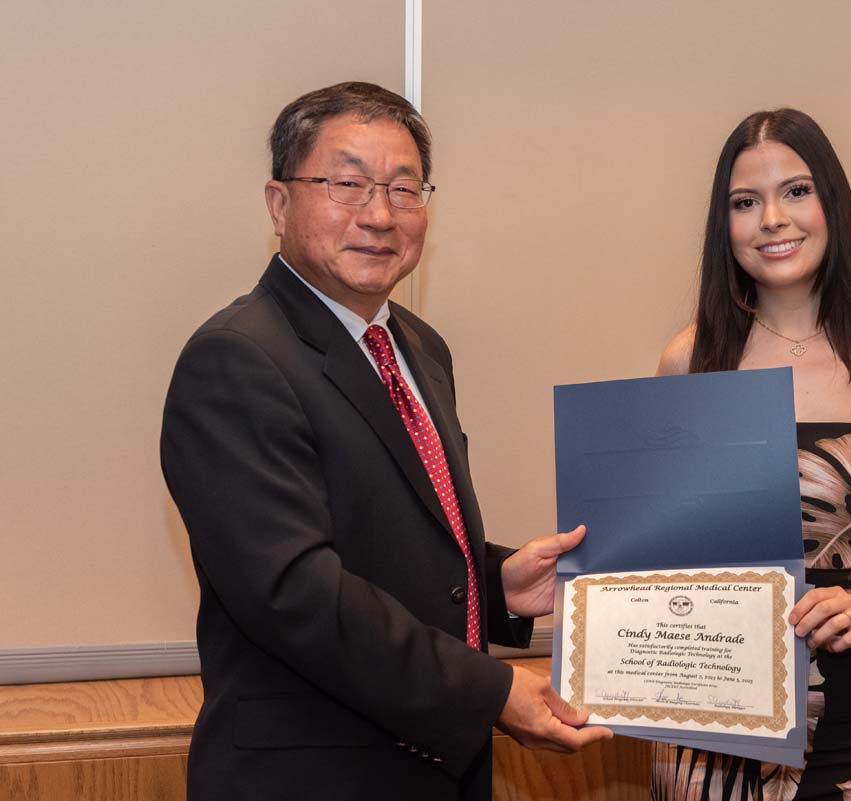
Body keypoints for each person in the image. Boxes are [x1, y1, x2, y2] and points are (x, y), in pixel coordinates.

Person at [160, 82, 611, 801]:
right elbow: (296, 593)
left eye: (404, 189)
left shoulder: (418, 347)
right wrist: (493, 691)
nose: (378, 214)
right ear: (279, 203)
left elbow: (388, 540)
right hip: (312, 778)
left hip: (433, 768)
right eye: (346, 184)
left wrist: (499, 586)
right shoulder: (237, 358)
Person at [652, 109, 851, 800]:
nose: (773, 218)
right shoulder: (690, 360)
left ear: (833, 204)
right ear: (726, 225)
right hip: (714, 722)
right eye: (746, 202)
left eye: (796, 191)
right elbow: (659, 554)